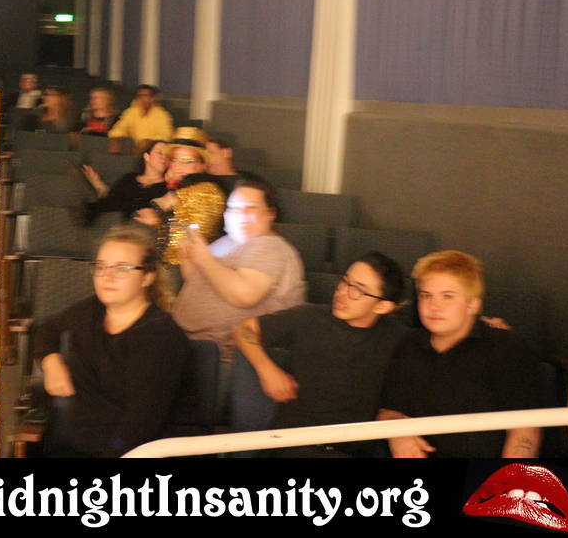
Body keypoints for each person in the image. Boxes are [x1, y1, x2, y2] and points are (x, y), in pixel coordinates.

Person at [33, 223, 196, 457]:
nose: (107, 277)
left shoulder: (162, 337)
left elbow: (140, 425)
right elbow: (47, 330)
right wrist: (51, 362)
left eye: (122, 268)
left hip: (141, 451)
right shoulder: (92, 309)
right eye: (101, 267)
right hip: (82, 442)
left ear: (147, 277)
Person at [232, 252, 408, 457]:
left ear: (382, 306)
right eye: (345, 282)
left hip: (352, 449)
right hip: (293, 445)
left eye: (358, 290)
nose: (342, 292)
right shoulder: (309, 318)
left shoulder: (396, 336)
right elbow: (243, 329)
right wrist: (267, 370)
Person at [377, 250, 542, 458]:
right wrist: (396, 432)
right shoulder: (408, 344)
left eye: (447, 296)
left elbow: (524, 431)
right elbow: (388, 409)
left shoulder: (507, 349)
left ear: (473, 304)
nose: (433, 306)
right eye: (426, 295)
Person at [173, 178, 305, 362]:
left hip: (224, 356)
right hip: (186, 342)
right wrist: (189, 258)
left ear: (270, 214)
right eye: (233, 209)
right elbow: (197, 280)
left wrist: (203, 259)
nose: (241, 214)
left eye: (250, 208)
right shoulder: (228, 241)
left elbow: (244, 295)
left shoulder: (270, 246)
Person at [133, 126, 226, 265]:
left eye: (188, 161)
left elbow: (181, 252)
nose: (178, 167)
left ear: (202, 165)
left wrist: (159, 223)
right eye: (174, 160)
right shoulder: (178, 189)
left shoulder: (206, 192)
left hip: (188, 270)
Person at [81, 139, 168, 222]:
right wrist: (97, 183)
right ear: (147, 156)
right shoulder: (129, 178)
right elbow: (111, 199)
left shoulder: (166, 188)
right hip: (105, 220)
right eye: (159, 153)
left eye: (167, 155)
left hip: (131, 227)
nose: (164, 157)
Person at [107, 84, 173, 152]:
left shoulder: (162, 115)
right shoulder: (131, 112)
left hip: (156, 151)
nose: (143, 99)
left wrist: (149, 142)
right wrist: (116, 139)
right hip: (135, 151)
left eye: (146, 96)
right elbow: (119, 128)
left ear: (153, 98)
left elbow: (166, 135)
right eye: (140, 96)